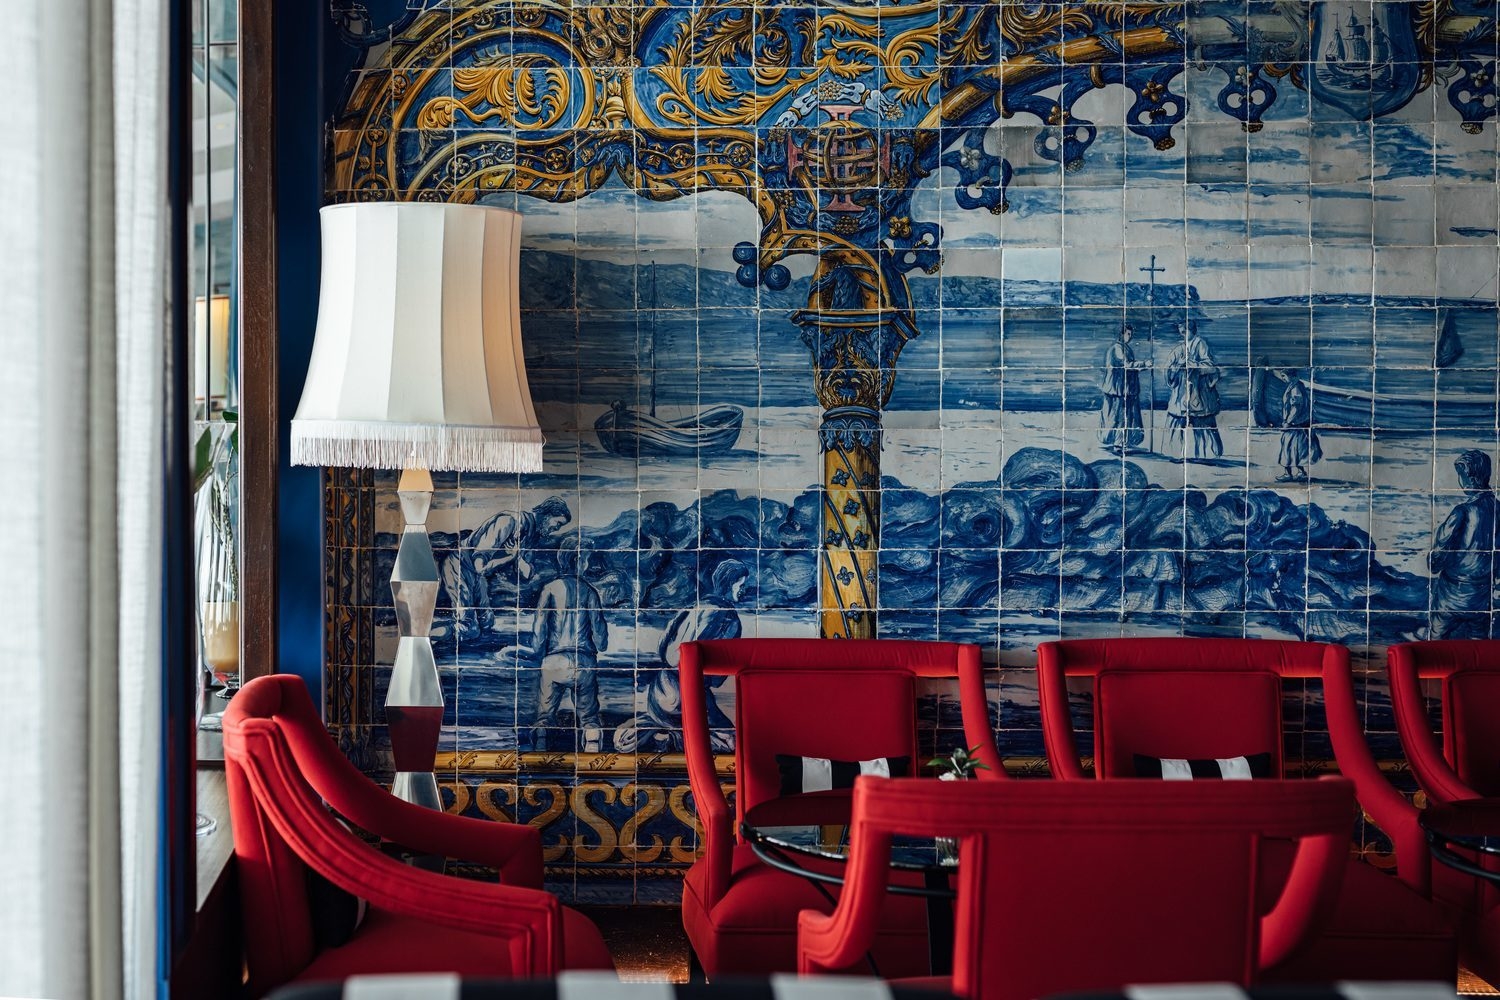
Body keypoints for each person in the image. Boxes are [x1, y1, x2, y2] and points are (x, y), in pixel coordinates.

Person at [612, 559, 749, 753]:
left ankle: (655, 732)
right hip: (686, 694)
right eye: (741, 585)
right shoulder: (725, 616)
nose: (743, 590)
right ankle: (673, 737)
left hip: (660, 691)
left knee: (673, 721)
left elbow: (665, 646)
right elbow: (712, 672)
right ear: (728, 584)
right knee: (734, 743)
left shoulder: (695, 607)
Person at [505, 536, 609, 752]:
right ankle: (592, 749)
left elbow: (539, 627)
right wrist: (600, 644)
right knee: (588, 715)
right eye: (586, 559)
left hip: (554, 660)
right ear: (578, 560)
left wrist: (537, 651)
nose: (588, 564)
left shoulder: (550, 589)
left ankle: (542, 750)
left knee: (544, 714)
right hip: (583, 660)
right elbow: (600, 635)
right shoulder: (589, 591)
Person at [440, 496, 572, 640]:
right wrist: (510, 557)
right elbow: (480, 567)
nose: (556, 529)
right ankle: (425, 634)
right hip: (459, 566)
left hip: (477, 575)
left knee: (487, 622)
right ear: (547, 514)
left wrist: (516, 557)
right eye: (558, 523)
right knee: (468, 628)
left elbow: (526, 574)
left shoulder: (531, 534)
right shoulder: (508, 521)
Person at [1429, 450, 1500, 640]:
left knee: (1437, 638)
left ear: (1470, 477)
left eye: (1460, 475)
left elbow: (1442, 545)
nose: (1460, 481)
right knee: (1478, 641)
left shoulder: (1462, 511)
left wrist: (1433, 564)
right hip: (1482, 592)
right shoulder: (1498, 508)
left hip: (1452, 592)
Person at [1165, 321, 1223, 461]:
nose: (1182, 334)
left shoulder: (1201, 344)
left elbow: (1211, 367)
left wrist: (1193, 365)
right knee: (1177, 421)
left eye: (1185, 331)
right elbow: (1168, 370)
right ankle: (1175, 453)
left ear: (1192, 330)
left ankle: (1207, 454)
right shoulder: (1179, 349)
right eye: (1180, 331)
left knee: (1203, 423)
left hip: (1199, 392)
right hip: (1181, 394)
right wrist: (1174, 368)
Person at [1098, 323, 1149, 454]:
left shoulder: (1125, 348)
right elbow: (1126, 365)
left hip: (1125, 389)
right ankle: (1118, 443)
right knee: (1120, 417)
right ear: (1121, 334)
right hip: (1118, 389)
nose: (1130, 337)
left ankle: (1121, 442)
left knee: (1125, 416)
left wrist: (1142, 367)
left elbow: (1130, 367)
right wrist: (1144, 364)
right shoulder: (1117, 348)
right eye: (1128, 334)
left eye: (1131, 334)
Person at [1274, 368, 1321, 482]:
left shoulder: (1296, 388)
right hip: (1298, 424)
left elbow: (1296, 407)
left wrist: (1288, 422)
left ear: (1292, 376)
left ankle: (1289, 474)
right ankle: (1300, 472)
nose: (1283, 378)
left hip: (1295, 424)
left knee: (1288, 448)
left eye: (1284, 376)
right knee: (1295, 449)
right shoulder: (1296, 385)